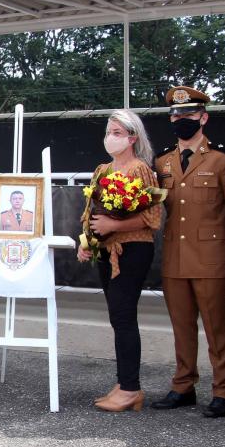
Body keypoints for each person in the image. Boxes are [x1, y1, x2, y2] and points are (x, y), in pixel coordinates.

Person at [151, 86, 225, 418]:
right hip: (175, 256)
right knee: (182, 326)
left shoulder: (223, 158)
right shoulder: (163, 161)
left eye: (187, 114)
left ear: (203, 117)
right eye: (175, 114)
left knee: (218, 329)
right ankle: (183, 386)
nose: (180, 119)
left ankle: (223, 391)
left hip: (211, 258)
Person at [77, 109, 161, 412]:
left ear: (132, 137)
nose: (110, 138)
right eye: (108, 131)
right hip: (105, 250)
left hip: (132, 250)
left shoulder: (140, 170)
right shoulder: (102, 170)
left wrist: (114, 226)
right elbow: (90, 211)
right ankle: (124, 381)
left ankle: (130, 388)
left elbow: (151, 217)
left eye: (117, 133)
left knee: (124, 316)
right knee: (117, 316)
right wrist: (86, 242)